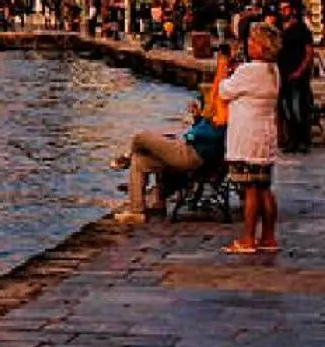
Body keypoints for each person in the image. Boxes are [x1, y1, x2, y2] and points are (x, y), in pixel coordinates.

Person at [115, 60, 227, 220]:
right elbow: (206, 132)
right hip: (192, 153)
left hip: (191, 155)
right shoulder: (215, 116)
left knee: (140, 137)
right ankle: (137, 211)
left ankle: (125, 158)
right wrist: (198, 119)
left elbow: (208, 135)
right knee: (140, 161)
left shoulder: (223, 116)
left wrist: (190, 135)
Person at [220, 20, 283, 254]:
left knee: (250, 190)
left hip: (247, 136)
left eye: (252, 41)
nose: (248, 44)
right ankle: (268, 237)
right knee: (264, 188)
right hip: (265, 135)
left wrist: (228, 69)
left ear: (260, 46)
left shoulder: (249, 71)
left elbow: (224, 90)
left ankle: (248, 239)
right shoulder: (273, 71)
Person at [276, 0, 314, 153]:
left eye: (286, 8)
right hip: (284, 75)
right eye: (282, 9)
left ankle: (302, 140)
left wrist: (300, 70)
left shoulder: (302, 29)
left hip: (298, 76)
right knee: (288, 109)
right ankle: (292, 140)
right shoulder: (281, 29)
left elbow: (309, 52)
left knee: (299, 108)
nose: (283, 11)